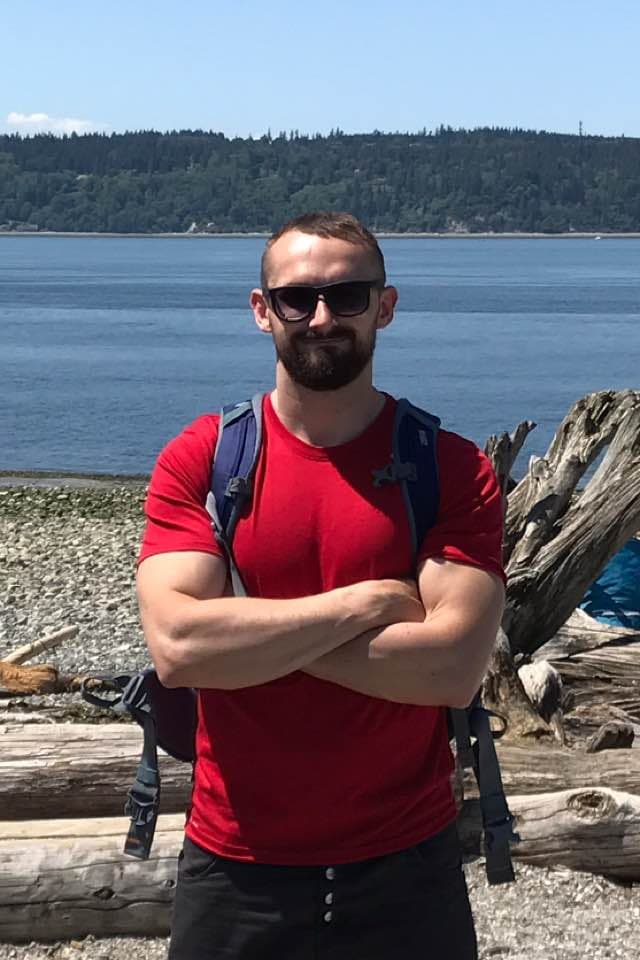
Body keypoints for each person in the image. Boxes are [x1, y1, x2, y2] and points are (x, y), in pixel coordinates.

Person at [137, 211, 506, 959]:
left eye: (347, 295)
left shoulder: (451, 469)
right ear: (261, 309)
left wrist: (245, 638)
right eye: (296, 298)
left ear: (385, 306)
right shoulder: (205, 459)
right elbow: (178, 650)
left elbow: (450, 668)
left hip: (408, 867)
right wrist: (364, 604)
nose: (321, 317)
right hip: (235, 865)